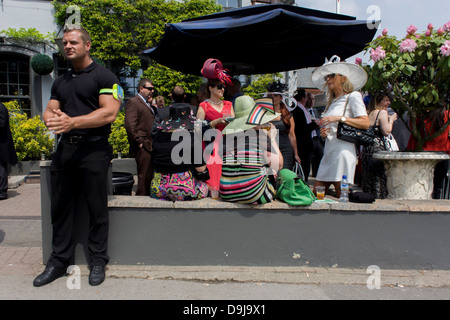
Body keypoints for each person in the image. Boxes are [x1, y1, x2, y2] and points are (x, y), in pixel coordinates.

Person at [33, 27, 122, 287]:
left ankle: (97, 261)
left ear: (87, 45)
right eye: (65, 43)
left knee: (96, 209)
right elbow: (50, 110)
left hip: (94, 149)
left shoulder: (105, 77)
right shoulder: (61, 81)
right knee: (60, 209)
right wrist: (52, 118)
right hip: (66, 150)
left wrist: (73, 122)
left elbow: (108, 114)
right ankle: (59, 261)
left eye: (73, 42)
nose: (68, 46)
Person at [311, 56, 370, 198]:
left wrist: (339, 118)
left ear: (343, 78)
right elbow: (330, 127)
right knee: (317, 194)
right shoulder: (332, 102)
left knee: (341, 195)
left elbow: (365, 122)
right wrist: (324, 132)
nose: (328, 79)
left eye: (332, 75)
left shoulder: (353, 96)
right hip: (329, 151)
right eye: (326, 77)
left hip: (343, 151)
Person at [220, 95, 283, 204]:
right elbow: (279, 165)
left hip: (227, 192)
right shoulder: (259, 137)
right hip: (253, 194)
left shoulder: (227, 138)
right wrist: (272, 138)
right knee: (283, 175)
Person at [151, 103, 209, 201]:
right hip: (182, 189)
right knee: (206, 188)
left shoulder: (157, 136)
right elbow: (201, 169)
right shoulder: (192, 138)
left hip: (157, 188)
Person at [196, 58, 235, 197]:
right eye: (219, 86)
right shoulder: (203, 106)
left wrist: (230, 123)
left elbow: (234, 125)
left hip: (225, 143)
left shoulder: (228, 105)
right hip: (209, 144)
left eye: (223, 86)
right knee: (212, 175)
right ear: (211, 88)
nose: (222, 89)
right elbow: (197, 128)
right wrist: (215, 121)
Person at [407, 98, 450, 199]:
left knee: (422, 186)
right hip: (442, 153)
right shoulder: (447, 115)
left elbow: (413, 132)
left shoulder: (419, 116)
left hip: (424, 154)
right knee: (437, 188)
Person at [361, 92, 398, 199]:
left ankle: (369, 196)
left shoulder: (370, 112)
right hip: (378, 148)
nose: (388, 103)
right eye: (385, 100)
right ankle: (379, 198)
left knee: (369, 177)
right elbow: (386, 131)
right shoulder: (382, 112)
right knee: (379, 178)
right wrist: (391, 120)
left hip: (367, 148)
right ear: (378, 101)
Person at [124, 78, 157, 196]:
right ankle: (141, 199)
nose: (152, 91)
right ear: (141, 88)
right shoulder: (134, 102)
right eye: (149, 88)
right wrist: (139, 141)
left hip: (150, 144)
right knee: (143, 176)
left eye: (153, 89)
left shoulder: (148, 104)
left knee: (149, 174)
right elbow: (129, 124)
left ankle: (147, 197)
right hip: (143, 145)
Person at [265, 81, 300, 171]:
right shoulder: (263, 115)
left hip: (286, 151)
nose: (272, 97)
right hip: (269, 149)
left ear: (281, 98)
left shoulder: (287, 115)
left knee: (284, 175)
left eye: (275, 95)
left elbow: (292, 136)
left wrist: (296, 154)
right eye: (270, 95)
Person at [292, 88, 321, 181]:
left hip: (311, 140)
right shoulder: (298, 110)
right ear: (303, 98)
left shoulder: (300, 109)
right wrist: (315, 124)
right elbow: (302, 128)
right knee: (305, 167)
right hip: (303, 143)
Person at [0, 102, 18, 200]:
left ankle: (2, 191)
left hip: (2, 145)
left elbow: (2, 124)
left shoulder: (1, 107)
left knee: (1, 168)